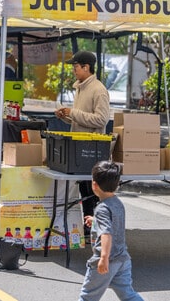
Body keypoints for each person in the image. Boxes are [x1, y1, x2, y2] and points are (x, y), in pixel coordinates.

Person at [55, 50, 110, 222]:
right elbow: (80, 119)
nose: (74, 70)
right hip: (79, 148)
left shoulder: (99, 90)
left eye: (76, 67)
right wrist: (66, 117)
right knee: (85, 190)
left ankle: (94, 228)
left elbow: (101, 120)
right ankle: (88, 229)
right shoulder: (81, 88)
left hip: (91, 150)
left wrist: (74, 113)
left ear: (86, 67)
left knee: (91, 192)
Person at [78, 161, 143, 301]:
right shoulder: (117, 202)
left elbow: (106, 233)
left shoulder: (102, 208)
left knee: (87, 297)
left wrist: (103, 258)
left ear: (94, 185)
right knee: (128, 295)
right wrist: (96, 222)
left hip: (107, 261)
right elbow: (114, 224)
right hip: (123, 259)